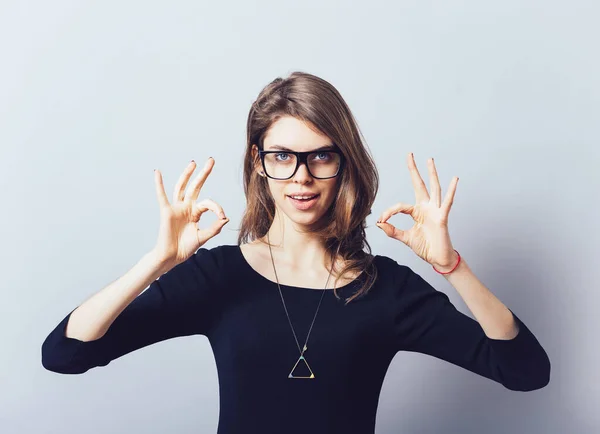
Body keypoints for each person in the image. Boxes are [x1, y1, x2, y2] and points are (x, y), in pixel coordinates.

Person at [41, 71, 551, 434]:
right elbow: (66, 352)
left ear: (343, 164)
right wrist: (155, 263)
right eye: (282, 156)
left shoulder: (386, 290)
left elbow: (526, 370)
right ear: (259, 163)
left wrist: (451, 267)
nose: (301, 177)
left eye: (320, 156)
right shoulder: (220, 276)